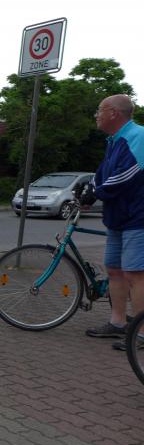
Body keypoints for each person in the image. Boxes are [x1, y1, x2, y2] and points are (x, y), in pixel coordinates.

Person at [81, 95, 144, 349]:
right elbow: (102, 173)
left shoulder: (138, 136)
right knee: (115, 270)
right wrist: (89, 188)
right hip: (118, 218)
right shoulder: (114, 140)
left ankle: (141, 333)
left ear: (113, 113)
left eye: (99, 110)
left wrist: (97, 192)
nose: (96, 115)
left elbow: (128, 174)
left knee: (136, 274)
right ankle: (118, 323)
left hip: (138, 217)